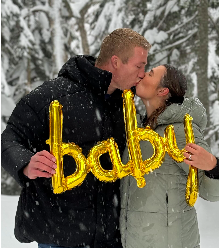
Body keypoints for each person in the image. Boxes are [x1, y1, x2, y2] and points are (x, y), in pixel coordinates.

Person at [1, 28, 151, 248]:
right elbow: (10, 138)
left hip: (111, 238)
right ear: (116, 62)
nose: (143, 73)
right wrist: (25, 163)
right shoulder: (52, 95)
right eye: (139, 66)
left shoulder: (125, 105)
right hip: (60, 236)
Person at [120, 65, 219, 248]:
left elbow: (212, 192)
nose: (142, 75)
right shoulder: (137, 131)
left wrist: (213, 166)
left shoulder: (180, 131)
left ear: (163, 90)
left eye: (150, 74)